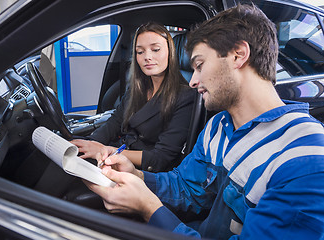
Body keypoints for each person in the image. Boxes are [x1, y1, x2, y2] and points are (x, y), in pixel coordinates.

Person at [83, 4, 324, 239]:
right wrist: (138, 175)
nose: (192, 81)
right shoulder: (218, 126)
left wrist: (149, 209)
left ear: (238, 55)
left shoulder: (304, 157)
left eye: (199, 65)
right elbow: (187, 188)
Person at [71, 22, 195, 172]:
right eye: (140, 52)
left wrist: (106, 150)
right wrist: (88, 144)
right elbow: (114, 123)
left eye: (155, 49)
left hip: (143, 171)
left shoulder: (186, 97)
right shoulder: (136, 89)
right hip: (116, 154)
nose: (147, 57)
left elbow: (160, 158)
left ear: (171, 52)